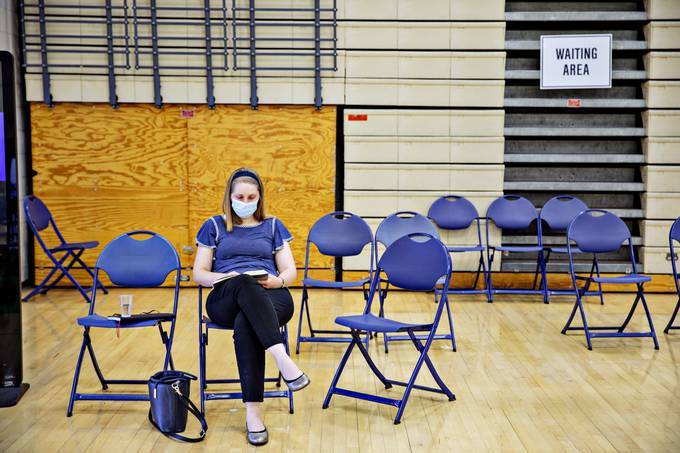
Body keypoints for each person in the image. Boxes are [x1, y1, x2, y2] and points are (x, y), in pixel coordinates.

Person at [192, 167, 309, 446]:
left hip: (270, 293)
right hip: (225, 296)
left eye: (251, 196)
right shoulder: (214, 226)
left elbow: (290, 272)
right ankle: (283, 359)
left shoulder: (272, 225)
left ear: (260, 197)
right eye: (240, 196)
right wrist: (229, 278)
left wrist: (277, 281)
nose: (245, 201)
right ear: (229, 197)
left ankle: (253, 414)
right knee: (244, 284)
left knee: (249, 321)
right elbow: (199, 273)